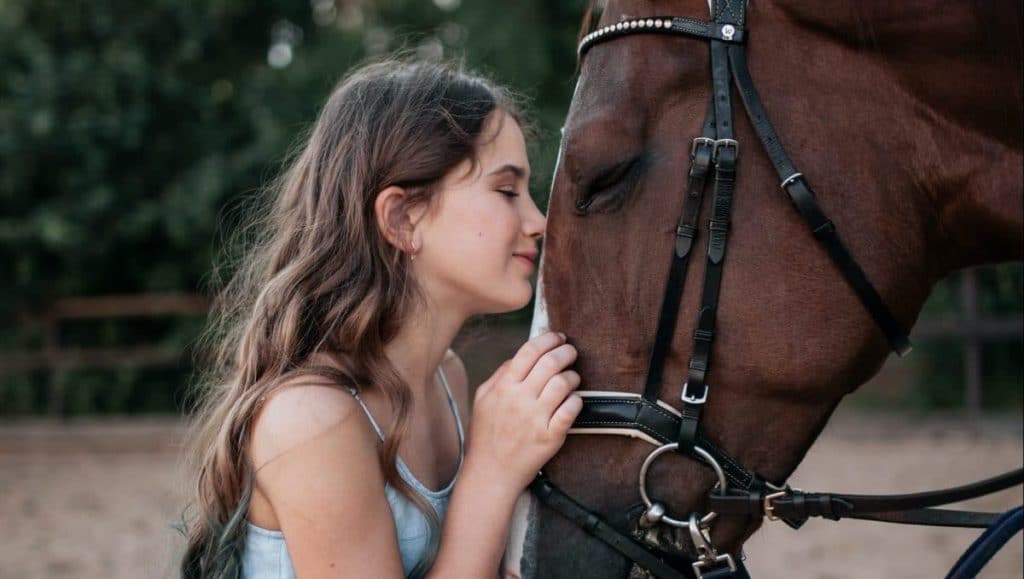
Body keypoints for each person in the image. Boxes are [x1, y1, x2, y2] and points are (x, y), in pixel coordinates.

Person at [179, 57, 583, 579]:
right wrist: (493, 471)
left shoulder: (446, 377)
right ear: (401, 218)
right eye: (507, 191)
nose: (539, 221)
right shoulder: (313, 418)